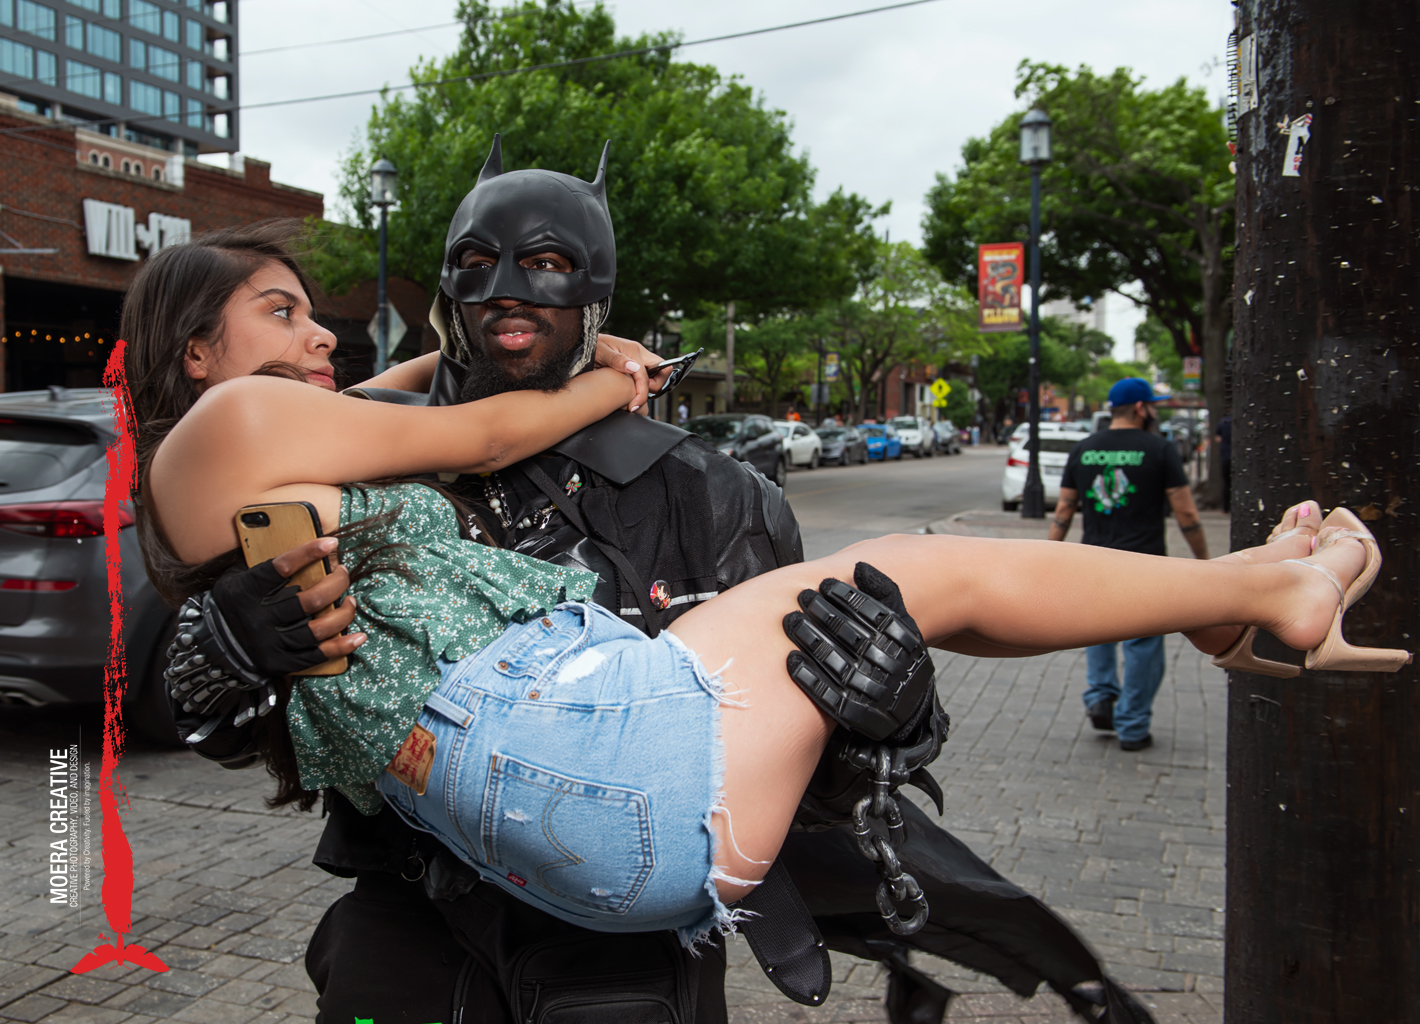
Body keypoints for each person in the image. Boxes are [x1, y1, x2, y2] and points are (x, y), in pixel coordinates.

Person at [133, 149, 1404, 1017]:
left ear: (604, 293)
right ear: (443, 291)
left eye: (549, 264)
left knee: (911, 589)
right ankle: (1254, 592)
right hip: (406, 946)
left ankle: (1251, 594)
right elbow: (191, 711)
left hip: (614, 964)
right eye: (472, 263)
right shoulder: (329, 454)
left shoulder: (712, 492)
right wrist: (218, 658)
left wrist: (891, 712)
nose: (507, 289)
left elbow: (813, 754)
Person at [1050, 378, 1209, 751]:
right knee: (1143, 643)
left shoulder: (1084, 449)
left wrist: (1049, 556)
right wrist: (1205, 560)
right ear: (1141, 408)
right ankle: (1133, 726)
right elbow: (1185, 511)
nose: (1153, 411)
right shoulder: (1160, 449)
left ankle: (1101, 697)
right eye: (1151, 405)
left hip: (1092, 561)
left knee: (1097, 633)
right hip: (1143, 565)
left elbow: (1064, 509)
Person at [1216, 415, 1233, 513]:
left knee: (1226, 482)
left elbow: (1218, 438)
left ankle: (1226, 508)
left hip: (1225, 455)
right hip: (1236, 455)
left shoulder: (1223, 422)